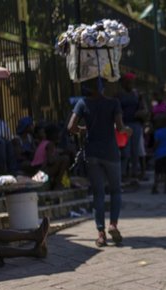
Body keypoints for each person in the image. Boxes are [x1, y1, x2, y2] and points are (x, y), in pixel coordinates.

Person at [68, 79, 132, 247]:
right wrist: (128, 131)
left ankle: (101, 234)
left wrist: (84, 130)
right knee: (116, 190)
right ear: (102, 87)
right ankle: (113, 224)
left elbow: (71, 127)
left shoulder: (82, 103)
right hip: (110, 152)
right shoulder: (113, 103)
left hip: (92, 153)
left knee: (98, 194)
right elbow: (119, 127)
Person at [116, 73, 148, 181]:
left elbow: (144, 108)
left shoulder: (137, 94)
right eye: (128, 82)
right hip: (123, 125)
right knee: (125, 151)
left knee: (135, 150)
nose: (130, 84)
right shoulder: (119, 95)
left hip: (135, 125)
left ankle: (134, 173)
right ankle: (123, 173)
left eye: (131, 82)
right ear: (123, 83)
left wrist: (140, 113)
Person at [31, 124, 70, 190]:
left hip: (37, 172)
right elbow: (50, 161)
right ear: (53, 135)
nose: (59, 136)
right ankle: (57, 183)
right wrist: (57, 157)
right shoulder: (50, 144)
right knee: (65, 159)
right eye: (57, 133)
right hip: (41, 174)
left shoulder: (43, 142)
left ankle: (57, 183)